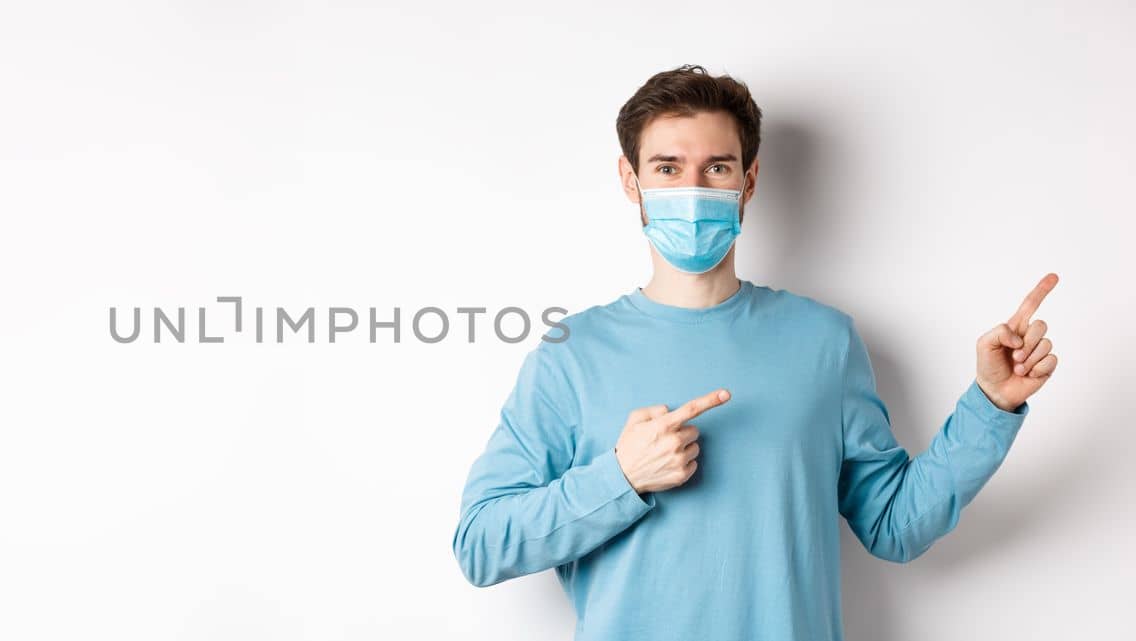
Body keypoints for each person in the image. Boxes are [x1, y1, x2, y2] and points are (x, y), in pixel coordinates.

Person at [450, 64, 1060, 641]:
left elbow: (894, 527)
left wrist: (991, 406)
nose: (692, 189)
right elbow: (481, 545)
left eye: (716, 168)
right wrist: (622, 477)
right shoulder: (572, 355)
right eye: (667, 168)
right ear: (630, 180)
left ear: (749, 180)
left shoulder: (824, 341)